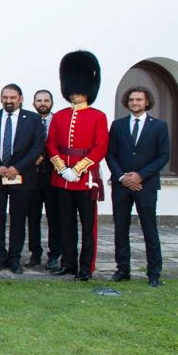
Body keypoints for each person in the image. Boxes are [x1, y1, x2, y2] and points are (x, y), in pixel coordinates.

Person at [47, 51, 109, 282]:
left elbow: (100, 148)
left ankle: (86, 267)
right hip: (61, 178)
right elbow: (51, 144)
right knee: (65, 224)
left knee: (88, 227)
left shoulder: (97, 116)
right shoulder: (60, 116)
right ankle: (68, 262)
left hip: (85, 179)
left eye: (79, 89)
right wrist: (62, 168)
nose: (75, 93)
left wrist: (78, 169)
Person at [107, 86, 170, 287]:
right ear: (128, 102)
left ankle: (154, 273)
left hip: (146, 186)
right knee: (121, 229)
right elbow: (110, 153)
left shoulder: (159, 126)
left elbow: (163, 156)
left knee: (149, 229)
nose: (135, 103)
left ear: (147, 102)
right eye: (132, 100)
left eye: (139, 100)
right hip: (122, 186)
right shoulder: (118, 125)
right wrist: (121, 176)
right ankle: (122, 270)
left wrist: (140, 176)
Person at [0, 84, 45, 274]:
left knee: (18, 218)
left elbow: (37, 147)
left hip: (21, 177)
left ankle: (14, 258)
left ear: (21, 98)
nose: (8, 101)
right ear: (1, 99)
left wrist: (17, 167)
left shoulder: (33, 119)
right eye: (5, 97)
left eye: (12, 97)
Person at [29, 89, 60, 270]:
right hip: (33, 175)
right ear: (33, 103)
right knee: (32, 216)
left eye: (46, 100)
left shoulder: (59, 121)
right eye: (39, 100)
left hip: (54, 175)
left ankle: (54, 254)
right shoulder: (30, 121)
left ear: (51, 102)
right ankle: (35, 253)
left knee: (54, 216)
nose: (43, 103)